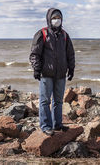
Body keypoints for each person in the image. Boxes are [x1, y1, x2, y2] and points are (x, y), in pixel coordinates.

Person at [29, 8, 75, 136]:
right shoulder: (42, 33)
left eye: (59, 18)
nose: (57, 20)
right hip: (46, 74)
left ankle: (58, 125)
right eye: (54, 18)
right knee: (45, 101)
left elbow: (70, 54)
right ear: (49, 19)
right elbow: (34, 54)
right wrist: (37, 69)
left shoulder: (65, 35)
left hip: (61, 74)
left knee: (59, 101)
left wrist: (71, 69)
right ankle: (45, 126)